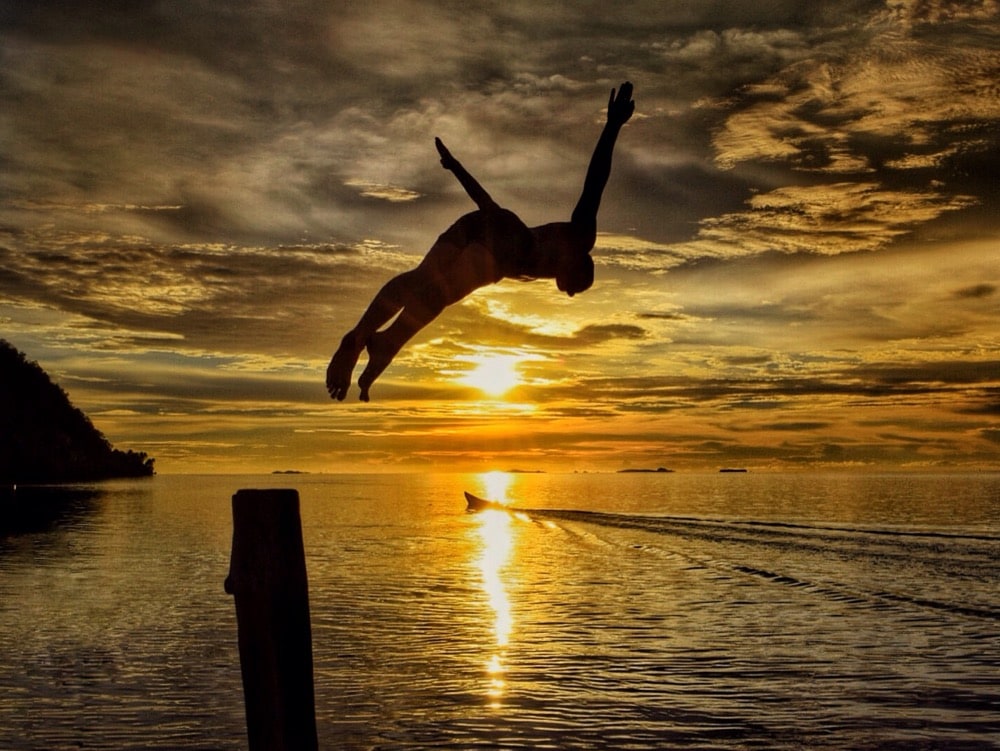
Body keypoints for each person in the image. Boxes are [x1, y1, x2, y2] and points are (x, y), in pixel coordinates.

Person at [327, 81, 635, 402]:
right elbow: (596, 180)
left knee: (424, 283)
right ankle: (383, 343)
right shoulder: (577, 239)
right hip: (497, 250)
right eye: (574, 285)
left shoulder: (539, 250)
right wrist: (612, 126)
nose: (569, 292)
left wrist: (457, 169)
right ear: (574, 264)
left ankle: (370, 339)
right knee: (436, 294)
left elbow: (489, 209)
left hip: (477, 227)